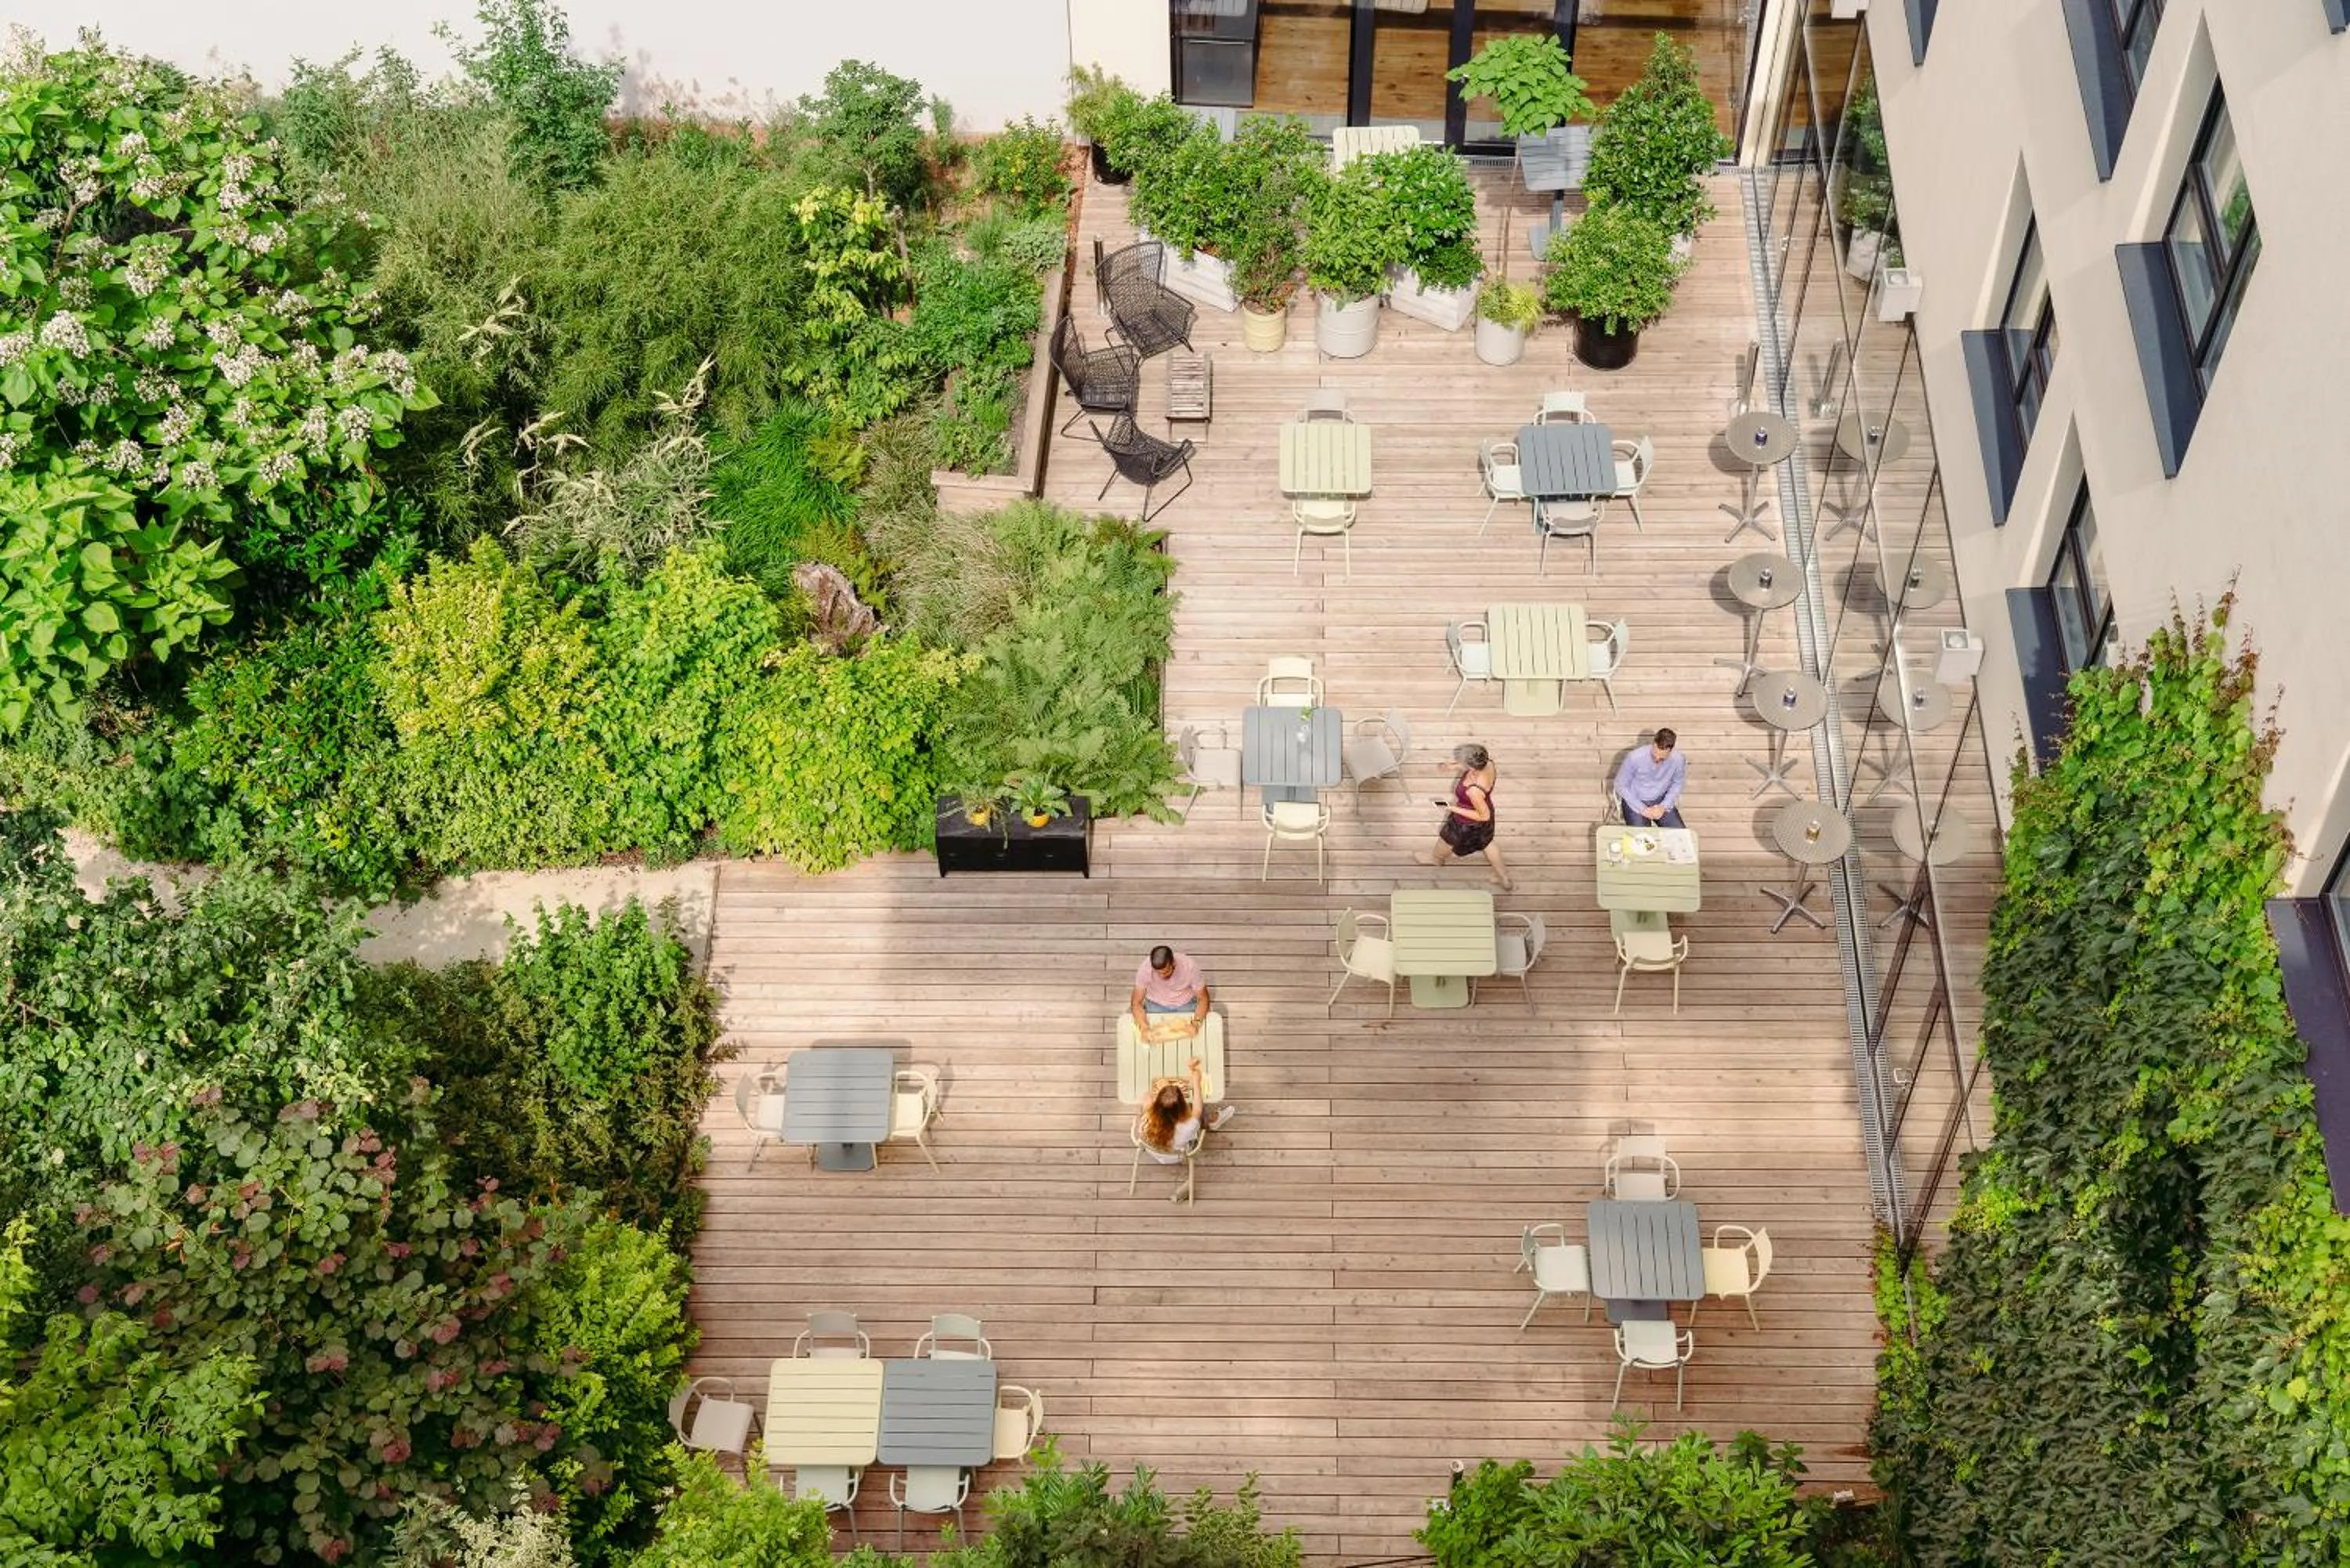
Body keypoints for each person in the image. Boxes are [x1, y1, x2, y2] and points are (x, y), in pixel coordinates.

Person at [1415, 743, 1512, 891]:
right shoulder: (1488, 764)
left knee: (1446, 838)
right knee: (1487, 843)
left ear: (1471, 767)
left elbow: (1483, 816)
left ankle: (1436, 859)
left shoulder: (1474, 791)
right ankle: (1504, 878)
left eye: (1461, 762)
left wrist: (1452, 808)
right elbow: (1472, 766)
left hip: (1467, 822)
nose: (1458, 763)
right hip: (1484, 810)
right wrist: (1453, 767)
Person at [1136, 1056, 1238, 1176]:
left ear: (1157, 1104)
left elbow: (1146, 1097)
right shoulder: (1189, 1125)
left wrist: (1157, 1096)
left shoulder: (1147, 1117)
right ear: (1182, 1106)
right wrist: (1196, 1082)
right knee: (1202, 1111)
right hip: (1178, 1155)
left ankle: (1211, 1121)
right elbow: (1198, 1109)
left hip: (1154, 1152)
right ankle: (1212, 1121)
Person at [1614, 728, 1687, 829]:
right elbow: (1620, 785)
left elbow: (1678, 783)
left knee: (1680, 837)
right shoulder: (1634, 757)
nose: (1657, 759)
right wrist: (1643, 809)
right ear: (1654, 744)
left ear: (1670, 750)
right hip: (1636, 800)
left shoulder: (1678, 759)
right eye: (1654, 755)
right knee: (1642, 840)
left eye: (1662, 759)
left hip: (1661, 800)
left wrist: (1664, 806)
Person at [1130, 945, 1211, 1035]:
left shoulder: (1189, 966)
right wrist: (1144, 1027)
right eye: (1158, 973)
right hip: (1155, 1005)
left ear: (1174, 964)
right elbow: (1136, 1002)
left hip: (1186, 1005)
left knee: (1198, 1034)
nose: (1162, 976)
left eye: (1166, 972)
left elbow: (1203, 998)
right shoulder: (1145, 969)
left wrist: (1196, 1024)